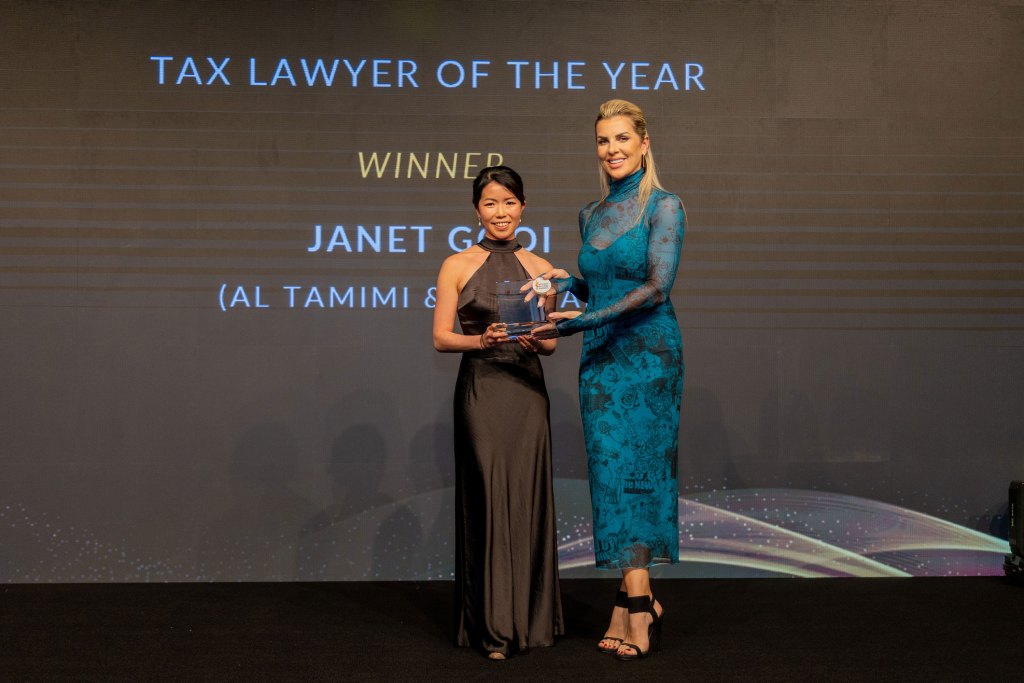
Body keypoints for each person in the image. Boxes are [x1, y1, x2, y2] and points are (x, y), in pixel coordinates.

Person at [527, 99, 685, 660]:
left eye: (622, 138)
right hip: (600, 358)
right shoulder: (589, 213)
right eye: (603, 140)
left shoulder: (664, 206)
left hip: (648, 357)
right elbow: (602, 286)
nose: (612, 149)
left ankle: (637, 607)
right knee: (611, 477)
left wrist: (584, 320)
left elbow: (656, 286)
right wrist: (566, 284)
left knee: (640, 474)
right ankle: (631, 600)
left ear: (644, 143)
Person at [432, 165, 564, 660]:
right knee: (488, 498)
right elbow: (441, 337)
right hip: (482, 392)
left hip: (527, 393)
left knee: (526, 499)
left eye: (509, 202)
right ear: (477, 210)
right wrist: (480, 340)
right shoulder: (456, 264)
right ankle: (493, 628)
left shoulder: (541, 267)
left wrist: (539, 337)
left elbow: (550, 346)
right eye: (490, 203)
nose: (500, 212)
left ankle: (530, 622)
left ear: (523, 207)